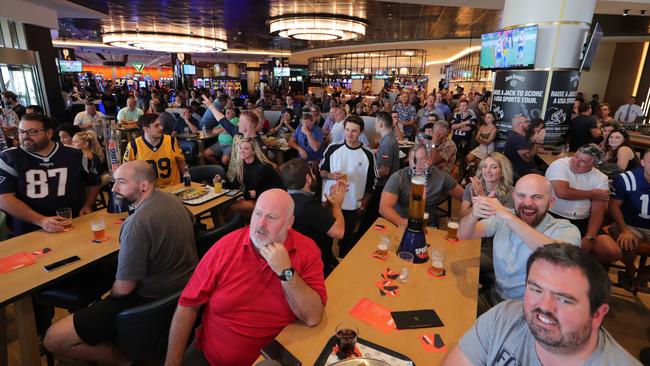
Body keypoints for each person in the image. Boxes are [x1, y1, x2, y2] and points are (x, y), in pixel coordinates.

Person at [44, 160, 198, 365]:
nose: (114, 188)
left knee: (54, 338)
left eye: (121, 182)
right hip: (182, 291)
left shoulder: (135, 224)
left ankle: (125, 361)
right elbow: (193, 222)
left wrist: (110, 295)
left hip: (150, 299)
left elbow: (124, 289)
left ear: (143, 186)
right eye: (115, 182)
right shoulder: (173, 200)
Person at [164, 189, 326, 366]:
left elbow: (313, 316)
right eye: (257, 214)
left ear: (290, 222)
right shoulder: (224, 248)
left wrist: (285, 271)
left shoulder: (307, 251)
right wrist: (172, 362)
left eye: (271, 217)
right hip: (208, 358)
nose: (260, 224)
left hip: (269, 359)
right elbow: (187, 305)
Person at [443, 243, 640, 366]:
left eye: (564, 299)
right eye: (536, 290)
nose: (545, 306)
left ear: (597, 315)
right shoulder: (504, 317)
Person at [458, 174, 581, 303]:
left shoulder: (566, 229)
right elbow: (463, 235)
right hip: (495, 295)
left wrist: (507, 215)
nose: (527, 203)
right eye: (521, 196)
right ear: (513, 197)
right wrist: (473, 215)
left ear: (551, 202)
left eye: (537, 197)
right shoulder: (503, 217)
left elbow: (557, 259)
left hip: (529, 309)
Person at [0, 113, 101, 235]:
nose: (25, 136)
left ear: (49, 133)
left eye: (32, 132)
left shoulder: (76, 155)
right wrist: (41, 220)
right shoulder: (8, 158)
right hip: (30, 230)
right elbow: (4, 198)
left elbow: (94, 181)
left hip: (73, 223)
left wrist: (88, 204)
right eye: (21, 132)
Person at [320, 115, 377, 257]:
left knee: (346, 241)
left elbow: (372, 183)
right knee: (325, 238)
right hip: (330, 203)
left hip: (352, 206)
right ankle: (328, 264)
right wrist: (330, 175)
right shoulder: (333, 148)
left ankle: (344, 265)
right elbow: (321, 171)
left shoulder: (368, 155)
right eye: (347, 130)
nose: (349, 134)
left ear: (361, 132)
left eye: (354, 131)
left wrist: (363, 205)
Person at [595, 151, 650, 291]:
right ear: (643, 162)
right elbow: (613, 206)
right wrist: (624, 229)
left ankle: (642, 275)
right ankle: (630, 270)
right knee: (627, 243)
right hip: (629, 224)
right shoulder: (626, 179)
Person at [281, 158, 345, 276]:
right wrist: (337, 204)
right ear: (308, 178)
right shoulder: (306, 206)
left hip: (298, 262)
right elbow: (339, 232)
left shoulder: (287, 199)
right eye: (312, 172)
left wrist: (330, 201)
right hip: (316, 266)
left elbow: (316, 219)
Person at [380, 143, 463, 228]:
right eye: (413, 159)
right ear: (409, 160)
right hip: (400, 225)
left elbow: (464, 196)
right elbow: (384, 207)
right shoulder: (398, 177)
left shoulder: (440, 177)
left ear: (429, 160)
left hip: (427, 227)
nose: (416, 164)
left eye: (421, 159)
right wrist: (402, 222)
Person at [546, 144, 609, 252]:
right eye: (576, 156)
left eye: (583, 161)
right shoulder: (559, 164)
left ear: (594, 164)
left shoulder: (601, 178)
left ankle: (587, 267)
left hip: (583, 220)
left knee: (611, 251)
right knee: (563, 250)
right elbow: (562, 192)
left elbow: (597, 211)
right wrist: (593, 194)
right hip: (554, 216)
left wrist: (590, 237)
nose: (575, 162)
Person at [122, 113, 186, 187]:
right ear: (146, 129)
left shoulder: (171, 141)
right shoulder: (133, 146)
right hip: (148, 193)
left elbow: (182, 163)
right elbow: (126, 172)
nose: (161, 127)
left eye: (160, 124)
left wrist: (187, 180)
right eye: (156, 126)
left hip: (173, 190)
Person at [450, 99, 477, 166]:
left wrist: (458, 126)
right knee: (453, 156)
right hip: (455, 138)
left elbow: (468, 128)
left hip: (465, 139)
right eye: (461, 105)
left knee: (463, 158)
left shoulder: (472, 116)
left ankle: (462, 172)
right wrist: (464, 123)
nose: (462, 107)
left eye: (464, 105)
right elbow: (452, 126)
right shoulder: (456, 114)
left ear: (468, 106)